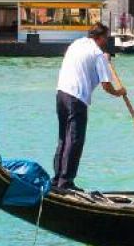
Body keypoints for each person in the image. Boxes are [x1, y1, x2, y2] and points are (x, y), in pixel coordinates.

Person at [53, 24, 127, 193]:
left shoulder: (76, 44)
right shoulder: (97, 53)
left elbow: (84, 65)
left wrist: (105, 61)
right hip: (76, 98)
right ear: (100, 38)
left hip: (61, 94)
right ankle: (66, 182)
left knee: (63, 138)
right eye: (105, 39)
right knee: (75, 140)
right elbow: (106, 86)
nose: (106, 42)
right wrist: (120, 92)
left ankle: (58, 178)